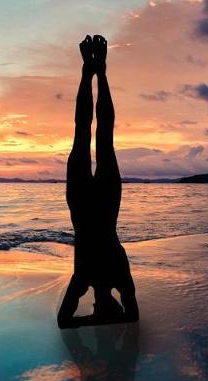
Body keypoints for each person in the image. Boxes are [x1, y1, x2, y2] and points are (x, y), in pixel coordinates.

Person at [57, 35, 139, 329]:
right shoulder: (85, 279)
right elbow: (65, 320)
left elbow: (65, 321)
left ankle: (92, 72)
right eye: (99, 306)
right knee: (100, 136)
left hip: (89, 200)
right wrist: (98, 318)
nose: (94, 303)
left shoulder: (99, 278)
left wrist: (99, 318)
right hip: (96, 202)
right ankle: (96, 72)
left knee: (90, 134)